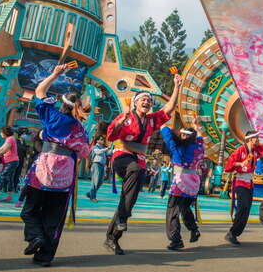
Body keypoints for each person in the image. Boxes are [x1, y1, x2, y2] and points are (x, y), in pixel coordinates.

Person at [20, 64, 90, 267]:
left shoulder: (53, 116)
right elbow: (84, 152)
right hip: (65, 176)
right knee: (54, 217)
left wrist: (55, 73)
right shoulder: (80, 129)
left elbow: (39, 91)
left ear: (62, 103)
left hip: (43, 170)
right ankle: (45, 256)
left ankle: (35, 237)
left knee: (30, 210)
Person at [104, 74, 181, 255]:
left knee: (129, 200)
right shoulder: (126, 116)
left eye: (149, 100)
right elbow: (111, 136)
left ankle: (112, 237)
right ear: (136, 103)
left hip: (137, 161)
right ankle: (122, 218)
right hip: (122, 156)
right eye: (143, 99)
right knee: (136, 170)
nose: (146, 101)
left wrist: (177, 86)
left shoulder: (153, 120)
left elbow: (169, 108)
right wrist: (118, 124)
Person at [223, 117, 263, 246]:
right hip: (240, 182)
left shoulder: (256, 151)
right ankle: (232, 233)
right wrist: (241, 163)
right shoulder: (240, 150)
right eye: (256, 137)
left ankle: (234, 233)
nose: (258, 139)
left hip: (250, 183)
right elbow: (228, 167)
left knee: (246, 209)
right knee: (243, 207)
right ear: (250, 139)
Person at [161, 117, 204, 250]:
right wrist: (196, 127)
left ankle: (176, 240)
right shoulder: (198, 148)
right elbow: (201, 139)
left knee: (172, 210)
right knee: (185, 208)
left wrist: (162, 124)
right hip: (194, 182)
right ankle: (194, 229)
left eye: (183, 134)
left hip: (181, 181)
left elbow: (168, 136)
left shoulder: (178, 147)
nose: (181, 136)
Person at [86, 135, 110, 202]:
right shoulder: (95, 147)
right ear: (97, 140)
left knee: (100, 181)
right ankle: (92, 197)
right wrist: (106, 149)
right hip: (96, 165)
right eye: (101, 139)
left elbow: (108, 153)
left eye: (103, 139)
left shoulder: (103, 147)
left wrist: (112, 148)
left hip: (102, 165)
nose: (103, 140)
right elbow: (98, 152)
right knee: (95, 181)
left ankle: (90, 193)